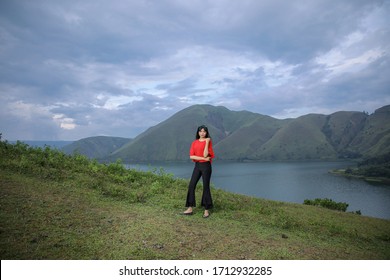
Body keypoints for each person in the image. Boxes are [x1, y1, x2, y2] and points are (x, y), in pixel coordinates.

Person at [182, 125, 215, 218]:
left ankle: (206, 210)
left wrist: (207, 142)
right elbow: (192, 156)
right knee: (191, 185)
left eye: (204, 131)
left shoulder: (208, 142)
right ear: (198, 132)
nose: (202, 133)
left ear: (206, 133)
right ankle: (190, 208)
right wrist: (203, 158)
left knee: (206, 187)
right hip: (198, 166)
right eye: (200, 131)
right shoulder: (194, 143)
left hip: (206, 167)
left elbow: (206, 154)